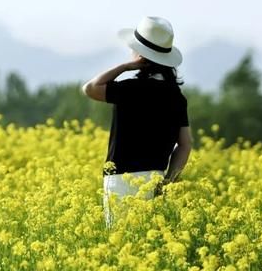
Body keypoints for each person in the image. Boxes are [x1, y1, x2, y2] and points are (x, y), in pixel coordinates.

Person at [81, 16, 194, 229]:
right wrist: (169, 181)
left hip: (121, 179)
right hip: (155, 178)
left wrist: (125, 67)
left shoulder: (129, 89)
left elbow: (90, 88)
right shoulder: (176, 97)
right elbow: (185, 144)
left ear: (140, 56)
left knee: (121, 244)